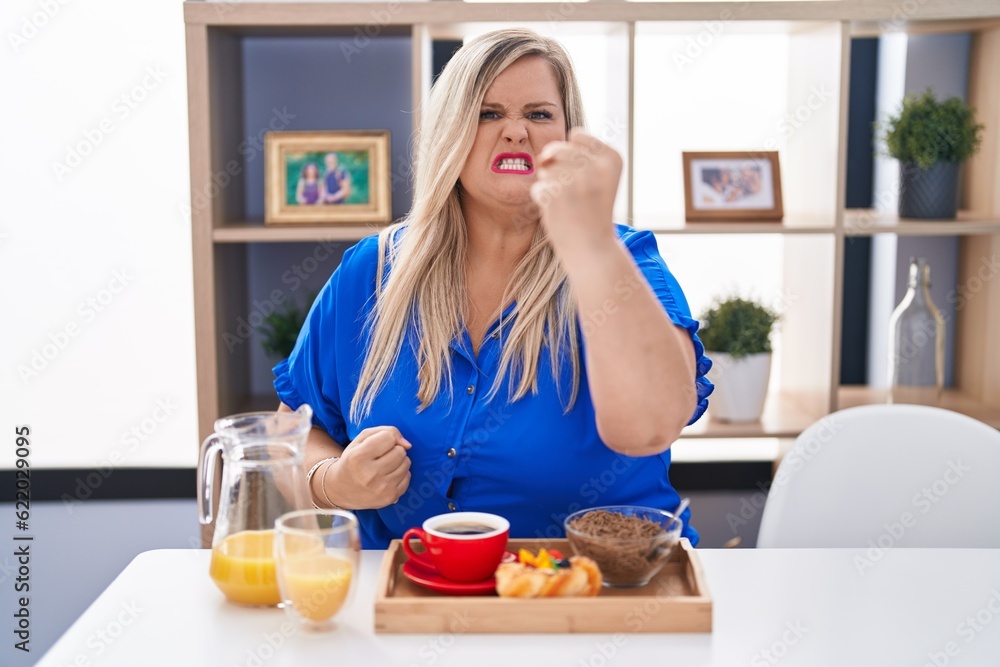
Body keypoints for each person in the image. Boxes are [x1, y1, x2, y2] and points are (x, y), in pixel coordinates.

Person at [273, 28, 713, 549]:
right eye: (489, 113)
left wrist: (591, 241)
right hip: (416, 592)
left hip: (602, 591)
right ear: (450, 134)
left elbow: (649, 428)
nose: (516, 132)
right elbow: (291, 435)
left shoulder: (625, 262)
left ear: (569, 138)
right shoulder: (373, 270)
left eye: (540, 114)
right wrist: (333, 481)